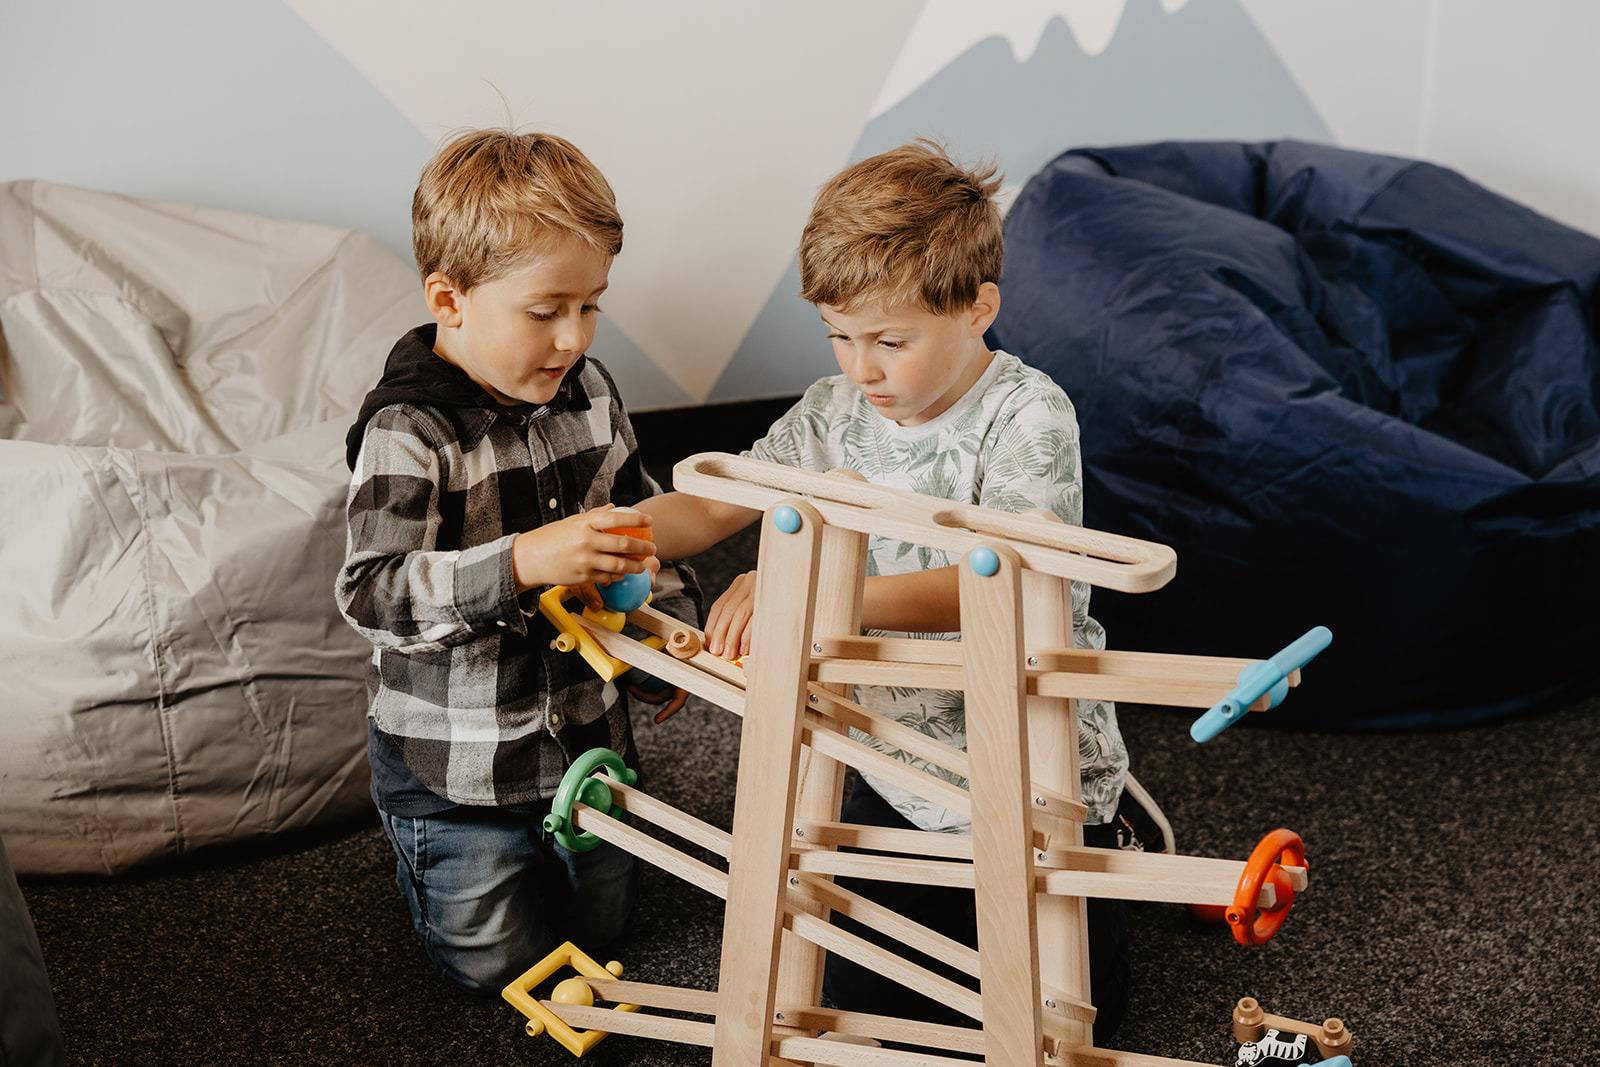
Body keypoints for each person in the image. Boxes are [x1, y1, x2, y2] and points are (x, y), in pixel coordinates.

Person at [637, 139, 1132, 1039]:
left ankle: (1115, 827)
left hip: (1028, 766)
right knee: (869, 1002)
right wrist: (612, 538)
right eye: (839, 335)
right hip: (891, 762)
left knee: (1062, 1010)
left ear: (979, 307)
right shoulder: (834, 410)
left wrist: (816, 593)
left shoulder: (1028, 414)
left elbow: (1016, 588)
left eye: (890, 342)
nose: (860, 368)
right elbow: (713, 503)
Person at [335, 129, 699, 993]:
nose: (574, 337)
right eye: (545, 311)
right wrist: (522, 563)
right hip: (459, 771)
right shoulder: (408, 431)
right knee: (495, 968)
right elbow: (372, 593)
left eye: (591, 305)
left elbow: (639, 522)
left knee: (610, 930)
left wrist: (672, 629)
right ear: (449, 299)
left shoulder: (592, 391)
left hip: (587, 743)